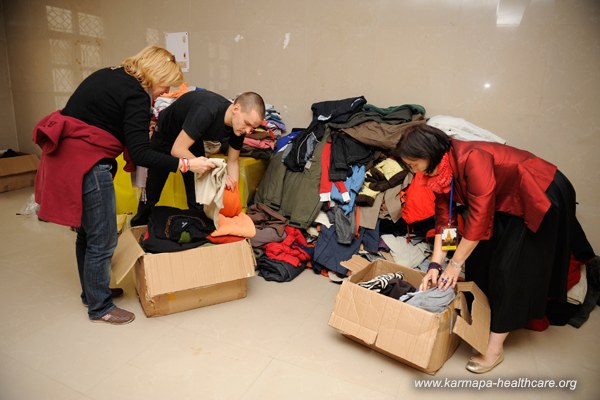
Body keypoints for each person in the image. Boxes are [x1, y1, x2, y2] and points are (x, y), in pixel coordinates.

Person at [391, 123, 596, 373]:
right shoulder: (439, 172)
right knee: (479, 261)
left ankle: (494, 349)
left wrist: (454, 265)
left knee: (509, 268)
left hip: (539, 190)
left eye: (413, 164)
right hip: (503, 199)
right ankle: (485, 318)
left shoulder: (473, 159)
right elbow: (446, 221)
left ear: (429, 153)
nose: (412, 171)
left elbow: (478, 220)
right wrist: (436, 264)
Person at [33, 46, 212, 325]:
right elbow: (141, 153)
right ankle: (100, 307)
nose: (164, 92)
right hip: (87, 162)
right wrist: (186, 165)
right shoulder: (136, 95)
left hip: (68, 160)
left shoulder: (111, 75)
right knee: (103, 238)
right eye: (165, 84)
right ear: (155, 75)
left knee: (87, 233)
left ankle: (93, 293)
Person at [130, 90, 265, 226]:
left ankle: (196, 232)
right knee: (152, 192)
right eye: (247, 123)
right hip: (167, 137)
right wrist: (217, 174)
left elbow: (233, 160)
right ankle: (138, 227)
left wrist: (233, 193)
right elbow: (177, 149)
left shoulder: (239, 127)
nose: (248, 131)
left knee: (197, 197)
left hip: (192, 140)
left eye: (252, 128)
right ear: (236, 109)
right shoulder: (207, 111)